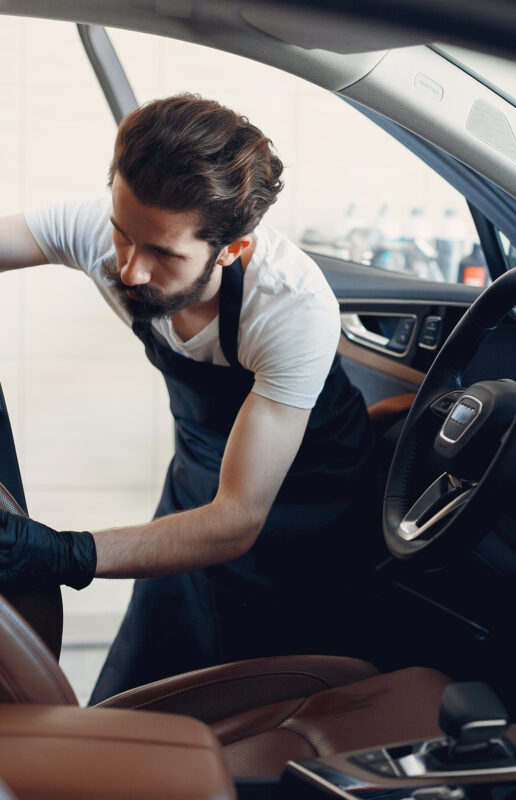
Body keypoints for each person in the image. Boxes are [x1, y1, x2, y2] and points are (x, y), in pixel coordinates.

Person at [0, 94, 375, 701]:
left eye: (163, 254)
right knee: (143, 692)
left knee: (269, 703)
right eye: (124, 235)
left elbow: (235, 522)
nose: (130, 271)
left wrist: (67, 554)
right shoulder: (103, 231)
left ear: (233, 249)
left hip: (305, 506)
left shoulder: (290, 308)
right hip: (199, 477)